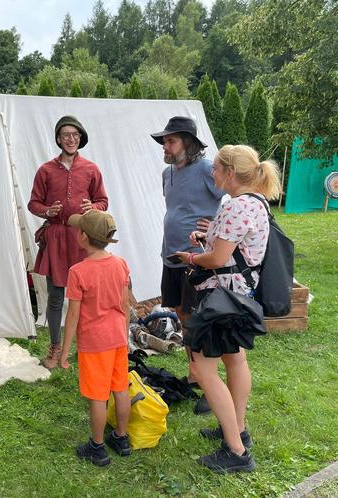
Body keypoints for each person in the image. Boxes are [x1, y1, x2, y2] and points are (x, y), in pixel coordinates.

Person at [175, 144, 282, 473]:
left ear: (230, 173)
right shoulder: (257, 202)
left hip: (222, 298)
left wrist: (191, 257)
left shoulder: (236, 206)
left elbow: (218, 259)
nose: (213, 172)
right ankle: (238, 430)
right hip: (240, 295)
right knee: (235, 360)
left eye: (217, 168)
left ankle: (236, 452)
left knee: (204, 369)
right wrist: (208, 238)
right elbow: (236, 249)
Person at [150, 116, 224, 413]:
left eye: (170, 141)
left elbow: (232, 198)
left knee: (201, 319)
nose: (165, 146)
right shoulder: (168, 173)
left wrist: (215, 225)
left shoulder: (207, 169)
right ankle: (195, 375)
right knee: (182, 315)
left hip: (199, 257)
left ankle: (211, 385)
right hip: (171, 255)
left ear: (188, 143)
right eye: (164, 141)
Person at [28, 115, 108, 369]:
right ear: (59, 139)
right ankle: (55, 346)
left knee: (85, 297)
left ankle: (88, 348)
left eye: (75, 135)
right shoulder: (46, 170)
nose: (70, 139)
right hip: (56, 238)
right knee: (55, 296)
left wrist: (92, 206)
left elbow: (103, 201)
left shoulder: (92, 169)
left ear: (80, 138)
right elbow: (33, 203)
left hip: (83, 240)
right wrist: (47, 211)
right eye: (65, 135)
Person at [58, 209, 131, 467]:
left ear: (83, 237)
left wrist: (65, 351)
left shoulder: (78, 271)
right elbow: (125, 304)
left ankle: (97, 447)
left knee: (98, 396)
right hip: (118, 337)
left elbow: (74, 315)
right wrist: (126, 334)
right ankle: (122, 438)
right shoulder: (120, 264)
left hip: (95, 343)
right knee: (120, 388)